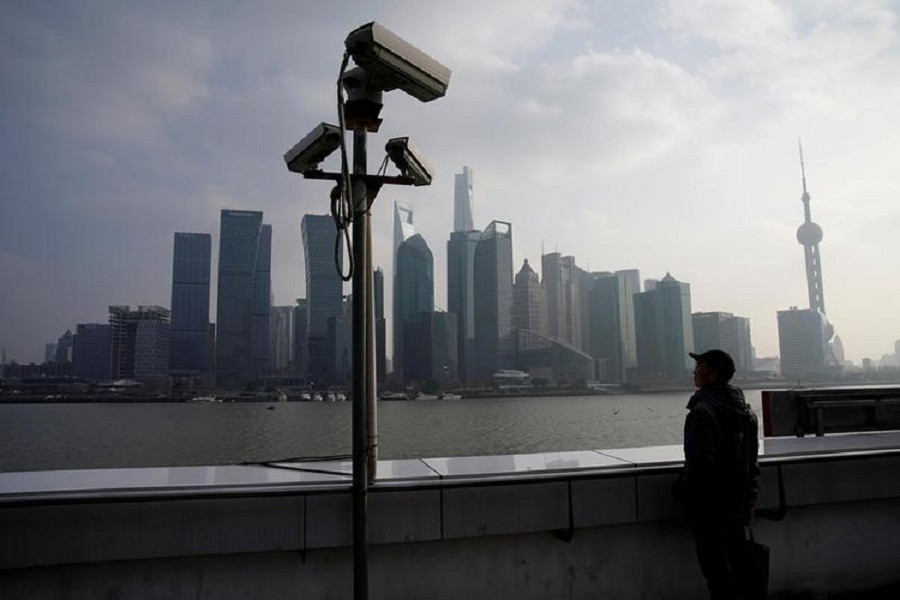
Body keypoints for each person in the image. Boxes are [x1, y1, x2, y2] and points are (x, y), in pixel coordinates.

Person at [674, 349, 760, 600]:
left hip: (709, 510)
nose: (694, 373)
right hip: (736, 507)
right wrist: (749, 502)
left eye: (698, 368)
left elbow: (699, 466)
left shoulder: (703, 412)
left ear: (711, 375)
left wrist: (683, 492)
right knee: (739, 569)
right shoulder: (747, 412)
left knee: (717, 572)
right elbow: (751, 463)